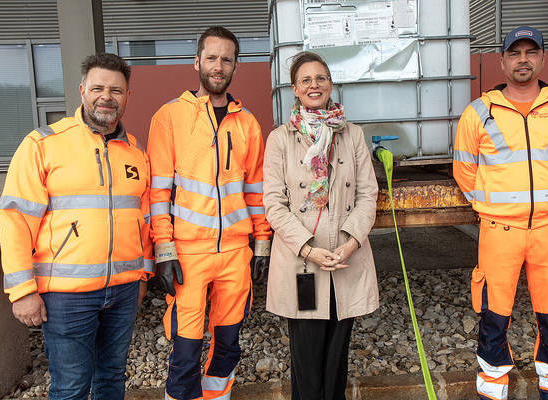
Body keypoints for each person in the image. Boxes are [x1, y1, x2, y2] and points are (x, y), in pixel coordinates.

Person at [0, 52, 153, 399]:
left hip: (124, 291)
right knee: (71, 387)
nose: (106, 97)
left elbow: (143, 220)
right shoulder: (43, 144)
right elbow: (15, 220)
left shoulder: (135, 152)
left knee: (112, 379)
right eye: (98, 88)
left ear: (127, 97)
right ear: (82, 90)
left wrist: (143, 275)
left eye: (116, 90)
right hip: (67, 296)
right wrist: (22, 291)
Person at [453, 26, 548, 400]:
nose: (523, 60)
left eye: (531, 52)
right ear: (502, 62)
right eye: (515, 53)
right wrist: (494, 205)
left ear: (542, 59)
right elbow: (464, 170)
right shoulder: (478, 112)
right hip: (499, 231)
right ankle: (492, 391)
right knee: (493, 319)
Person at [147, 26, 271, 400]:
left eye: (226, 60)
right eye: (212, 58)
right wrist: (163, 250)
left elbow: (256, 190)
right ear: (196, 61)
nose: (218, 66)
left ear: (235, 66)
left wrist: (262, 243)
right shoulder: (169, 117)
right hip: (188, 254)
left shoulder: (247, 123)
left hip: (235, 253)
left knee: (228, 346)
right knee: (185, 351)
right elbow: (158, 193)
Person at [263, 51, 379, 400]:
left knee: (336, 362)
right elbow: (274, 204)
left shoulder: (352, 135)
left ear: (330, 84)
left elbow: (367, 195)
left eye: (321, 78)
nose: (314, 85)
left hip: (345, 260)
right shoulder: (280, 139)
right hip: (302, 263)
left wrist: (350, 243)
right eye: (306, 80)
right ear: (295, 89)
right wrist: (308, 249)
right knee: (307, 364)